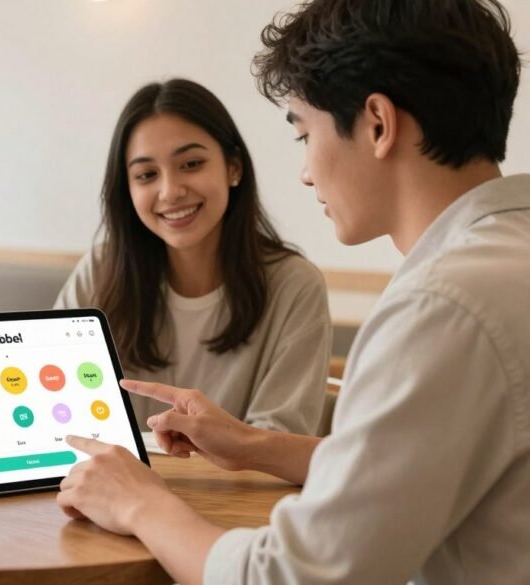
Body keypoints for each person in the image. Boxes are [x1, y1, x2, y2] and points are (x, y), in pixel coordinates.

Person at [56, 1, 528, 584]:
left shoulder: (442, 308)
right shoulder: (505, 260)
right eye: (145, 174)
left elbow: (292, 577)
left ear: (378, 124)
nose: (305, 172)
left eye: (305, 133)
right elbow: (403, 468)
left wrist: (138, 503)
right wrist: (251, 443)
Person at [56, 78, 331, 435]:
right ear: (128, 189)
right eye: (146, 174)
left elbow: (279, 441)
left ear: (234, 168)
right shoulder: (100, 270)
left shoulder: (294, 286)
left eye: (191, 164)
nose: (170, 191)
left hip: (233, 492)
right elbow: (56, 407)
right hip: (111, 486)